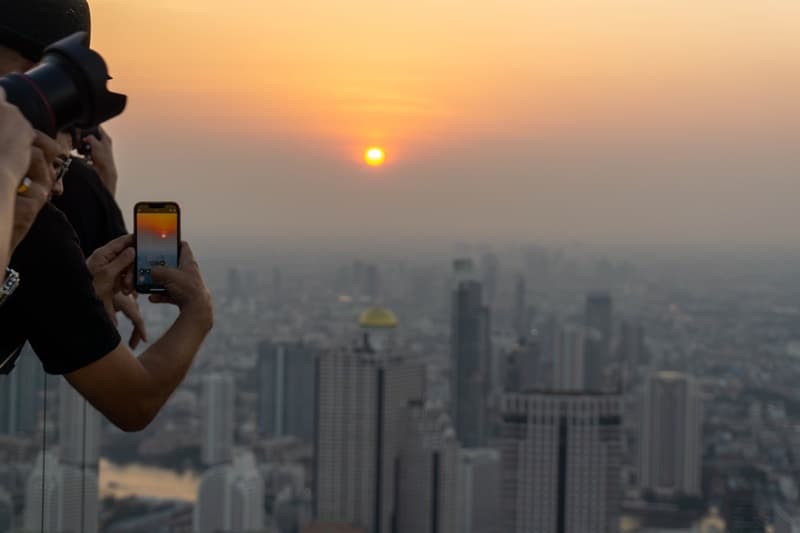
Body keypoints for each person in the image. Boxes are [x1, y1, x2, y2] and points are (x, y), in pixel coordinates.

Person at [0, 0, 214, 432]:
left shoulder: (43, 216)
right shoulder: (36, 224)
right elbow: (134, 400)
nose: (58, 184)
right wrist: (199, 314)